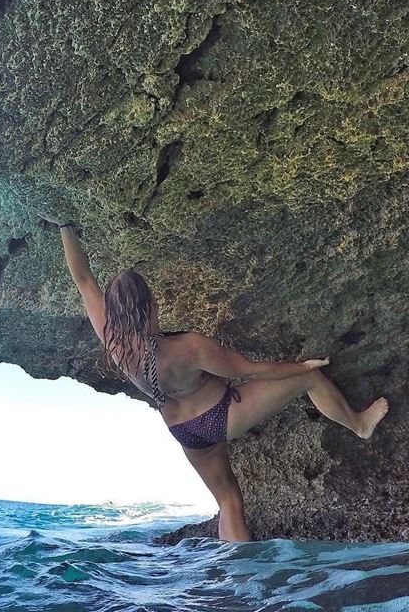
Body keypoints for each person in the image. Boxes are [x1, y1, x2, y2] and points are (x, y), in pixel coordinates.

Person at [47, 219, 389, 542]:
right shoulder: (187, 347)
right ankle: (359, 424)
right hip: (221, 415)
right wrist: (301, 367)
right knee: (313, 379)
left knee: (228, 500)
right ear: (151, 303)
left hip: (183, 431)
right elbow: (249, 369)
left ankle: (236, 581)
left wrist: (65, 226)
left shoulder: (116, 344)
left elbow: (83, 279)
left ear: (117, 313)